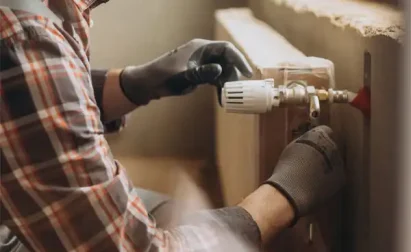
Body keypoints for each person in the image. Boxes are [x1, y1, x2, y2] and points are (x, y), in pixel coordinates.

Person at [0, 0, 345, 251]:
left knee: (152, 206)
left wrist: (131, 85)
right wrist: (283, 196)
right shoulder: (24, 38)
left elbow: (24, 104)